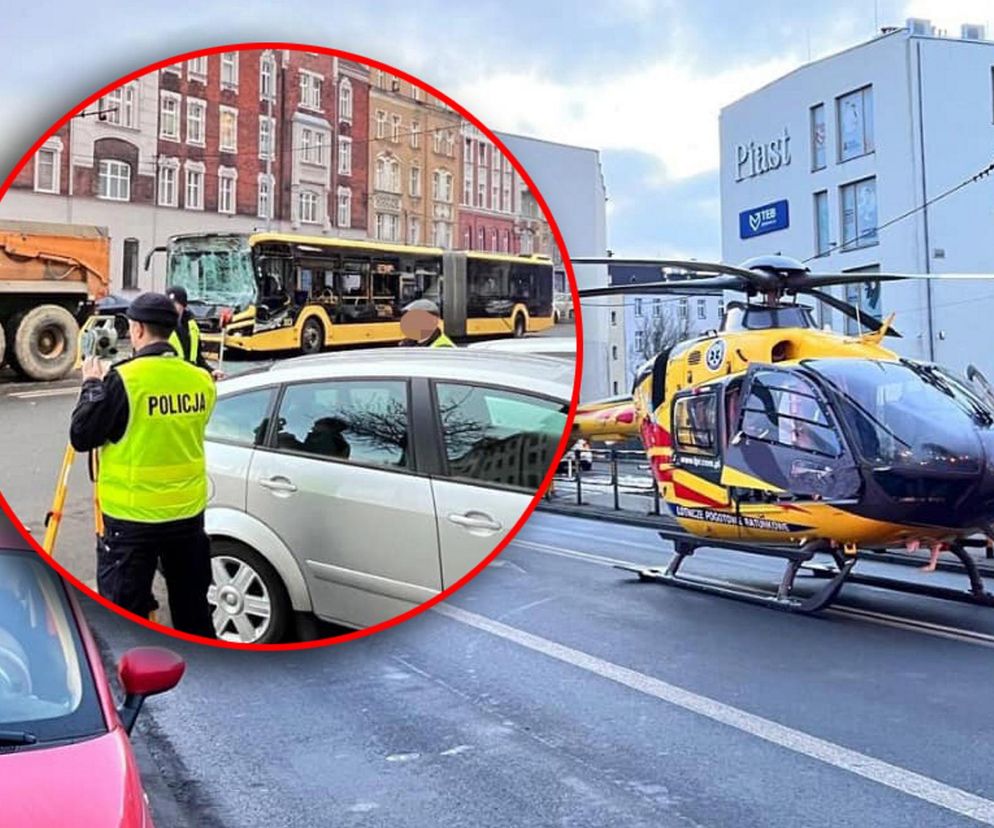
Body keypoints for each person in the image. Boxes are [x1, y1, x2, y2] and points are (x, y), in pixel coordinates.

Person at [70, 293, 218, 638]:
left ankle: (136, 684)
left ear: (136, 330)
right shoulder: (199, 379)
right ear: (172, 329)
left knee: (125, 619)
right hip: (187, 516)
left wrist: (92, 385)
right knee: (193, 612)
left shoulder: (123, 380)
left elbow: (82, 435)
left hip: (131, 521)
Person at [166, 285, 224, 379]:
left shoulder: (192, 326)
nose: (172, 307)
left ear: (183, 305)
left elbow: (198, 359)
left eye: (175, 303)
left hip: (189, 379)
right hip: (171, 379)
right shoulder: (161, 327)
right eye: (169, 303)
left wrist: (211, 371)